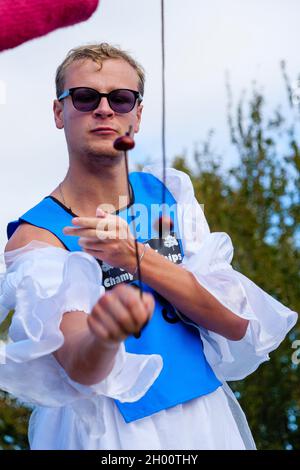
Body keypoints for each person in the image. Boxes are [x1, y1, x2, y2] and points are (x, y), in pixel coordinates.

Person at [0, 43, 298, 450]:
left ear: (137, 115)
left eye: (121, 99)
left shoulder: (170, 193)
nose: (104, 109)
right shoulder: (38, 234)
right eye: (86, 97)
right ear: (59, 112)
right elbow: (76, 365)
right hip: (107, 433)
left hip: (203, 418)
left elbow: (236, 323)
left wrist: (137, 259)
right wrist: (105, 334)